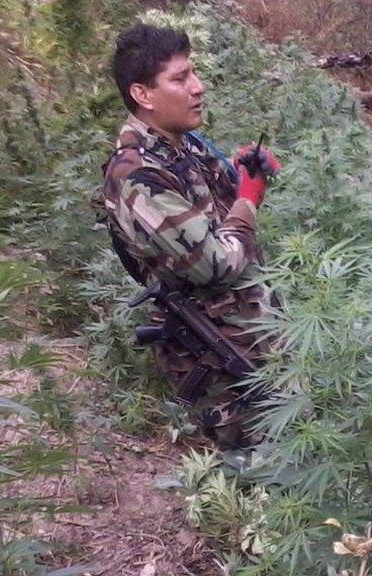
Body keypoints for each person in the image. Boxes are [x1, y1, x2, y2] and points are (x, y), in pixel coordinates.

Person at [97, 23, 279, 449]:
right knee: (254, 476)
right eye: (180, 79)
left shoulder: (181, 145)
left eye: (194, 73)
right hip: (218, 358)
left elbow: (216, 212)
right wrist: (250, 200)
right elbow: (214, 263)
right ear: (143, 95)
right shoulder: (138, 177)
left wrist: (243, 174)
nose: (197, 88)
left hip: (250, 336)